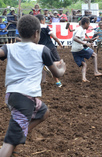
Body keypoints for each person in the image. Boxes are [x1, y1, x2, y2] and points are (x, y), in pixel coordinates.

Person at [0, 15, 66, 157]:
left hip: (13, 96)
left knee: (43, 112)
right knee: (8, 141)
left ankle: (21, 135)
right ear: (37, 33)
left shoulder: (9, 47)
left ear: (18, 31)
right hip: (24, 99)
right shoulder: (42, 50)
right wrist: (63, 67)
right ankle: (13, 144)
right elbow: (58, 73)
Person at [71, 17, 102, 82]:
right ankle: (96, 72)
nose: (89, 26)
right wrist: (85, 44)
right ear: (86, 23)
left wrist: (90, 40)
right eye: (88, 24)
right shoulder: (80, 29)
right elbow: (75, 38)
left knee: (84, 64)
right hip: (79, 48)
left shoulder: (81, 29)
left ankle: (84, 78)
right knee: (94, 55)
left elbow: (81, 38)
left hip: (74, 50)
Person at [36, 14, 64, 87]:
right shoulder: (45, 26)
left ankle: (44, 80)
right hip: (50, 47)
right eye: (44, 19)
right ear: (42, 20)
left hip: (40, 49)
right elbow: (53, 36)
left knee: (43, 63)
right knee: (57, 63)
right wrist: (59, 43)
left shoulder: (34, 28)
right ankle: (57, 81)